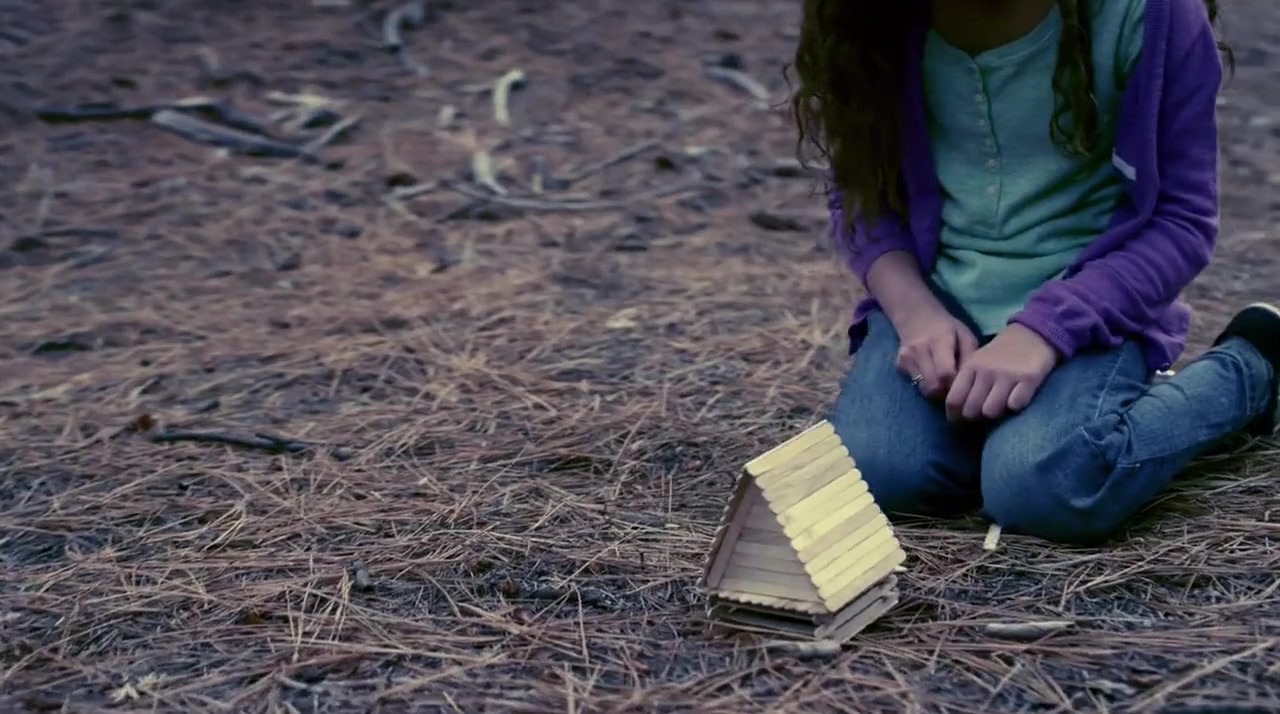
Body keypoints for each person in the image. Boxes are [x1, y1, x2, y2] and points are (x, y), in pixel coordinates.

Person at [789, 0, 1279, 545]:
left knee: (1041, 488)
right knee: (876, 475)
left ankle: (1250, 368)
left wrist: (1045, 330)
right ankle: (1000, 436)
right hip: (935, 297)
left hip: (1092, 302)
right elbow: (861, 194)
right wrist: (915, 313)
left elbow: (1181, 221)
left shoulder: (1149, 15)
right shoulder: (866, 16)